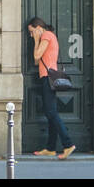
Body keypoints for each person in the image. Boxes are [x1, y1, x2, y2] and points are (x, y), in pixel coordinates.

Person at [28, 18, 76, 159]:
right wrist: (36, 40)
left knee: (52, 113)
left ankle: (68, 144)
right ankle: (50, 148)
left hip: (48, 79)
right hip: (46, 78)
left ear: (38, 28)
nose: (31, 35)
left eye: (32, 31)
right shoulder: (46, 36)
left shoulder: (47, 36)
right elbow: (37, 61)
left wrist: (36, 40)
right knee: (50, 113)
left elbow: (36, 55)